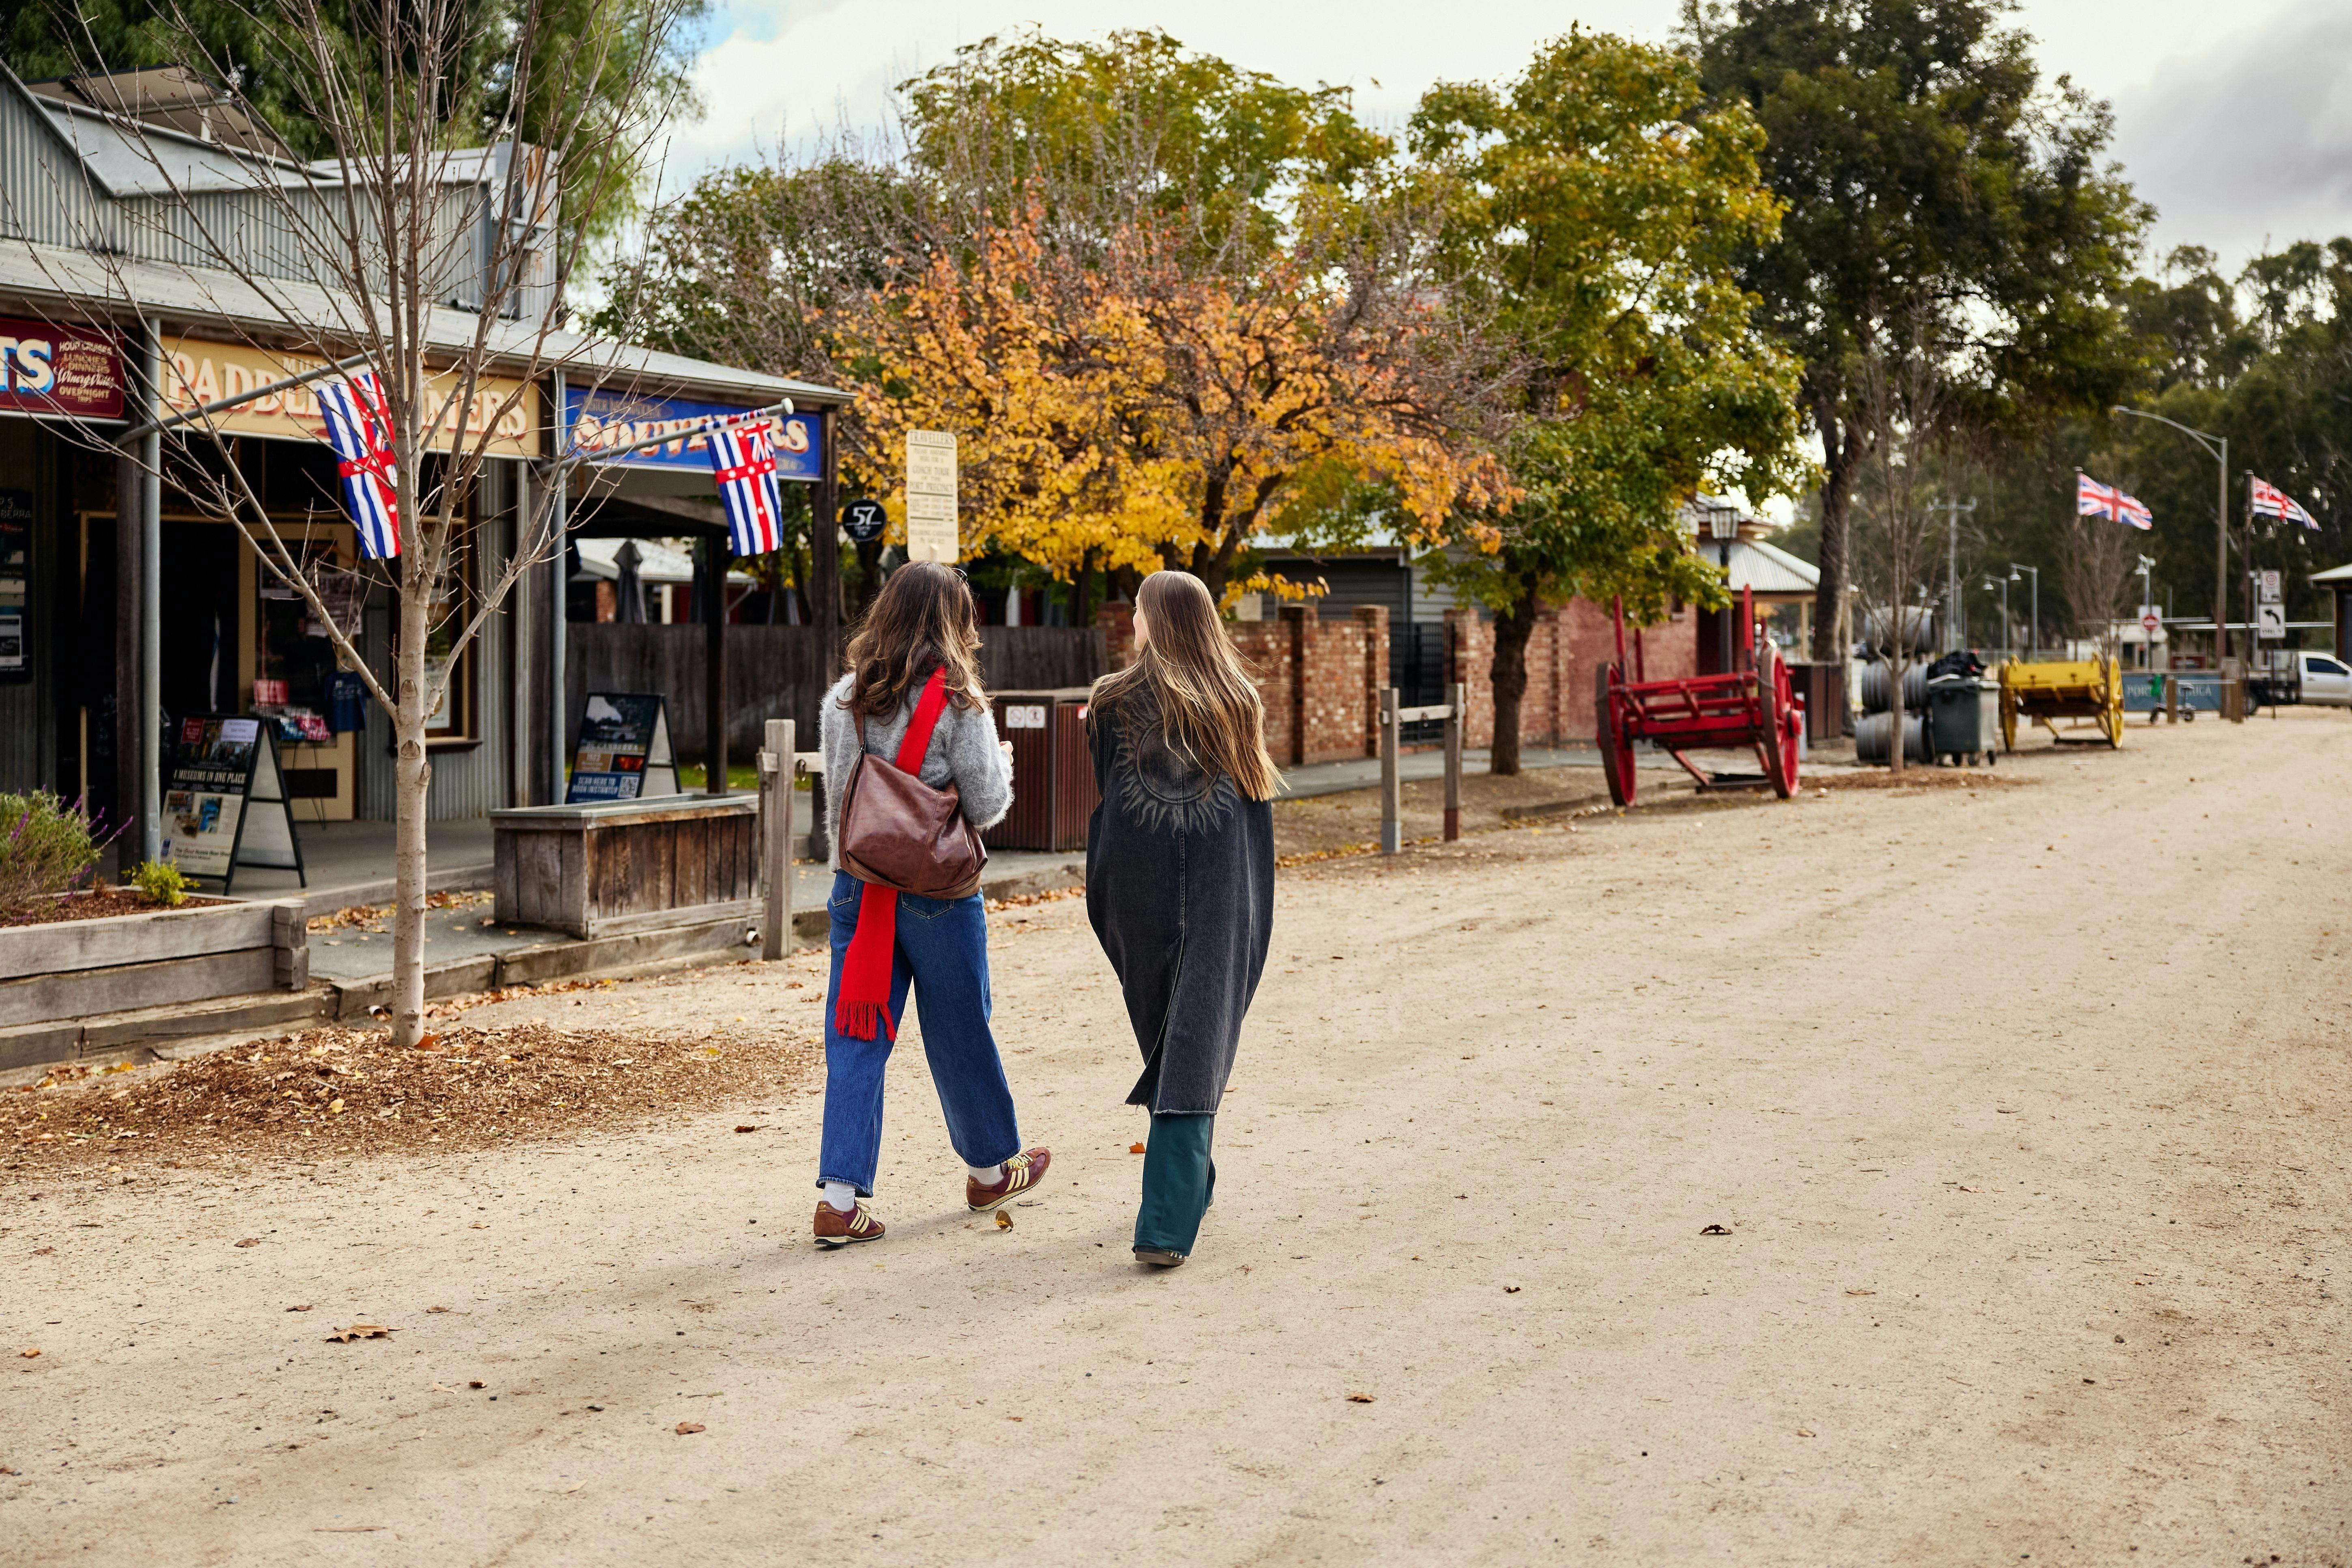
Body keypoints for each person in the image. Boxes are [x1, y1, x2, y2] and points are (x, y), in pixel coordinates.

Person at [812, 561, 1049, 1247]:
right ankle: (986, 1169)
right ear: (954, 620)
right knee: (959, 1030)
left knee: (857, 1036)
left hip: (860, 890)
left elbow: (842, 803)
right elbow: (988, 805)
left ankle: (838, 1198)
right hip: (939, 895)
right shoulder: (959, 704)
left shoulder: (844, 700)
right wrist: (998, 757)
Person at [1083, 571, 1279, 1268]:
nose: (1131, 621)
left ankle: (1167, 1220)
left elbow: (1107, 786)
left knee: (1186, 1038)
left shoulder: (1114, 702)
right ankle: (1188, 1181)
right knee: (1186, 1039)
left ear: (1157, 621)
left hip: (1139, 886)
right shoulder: (1238, 700)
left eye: (1137, 611)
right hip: (1221, 887)